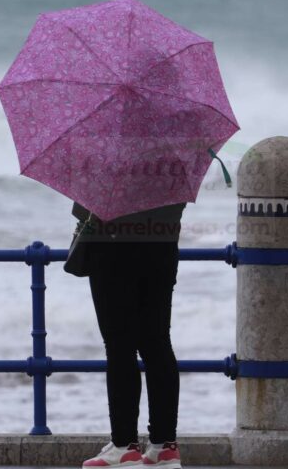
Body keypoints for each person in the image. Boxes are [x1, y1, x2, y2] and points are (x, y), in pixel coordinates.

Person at [70, 200, 186, 469]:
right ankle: (164, 446)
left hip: (112, 250)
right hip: (161, 248)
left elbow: (86, 208)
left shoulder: (105, 159)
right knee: (158, 344)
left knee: (119, 346)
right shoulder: (172, 160)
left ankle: (124, 446)